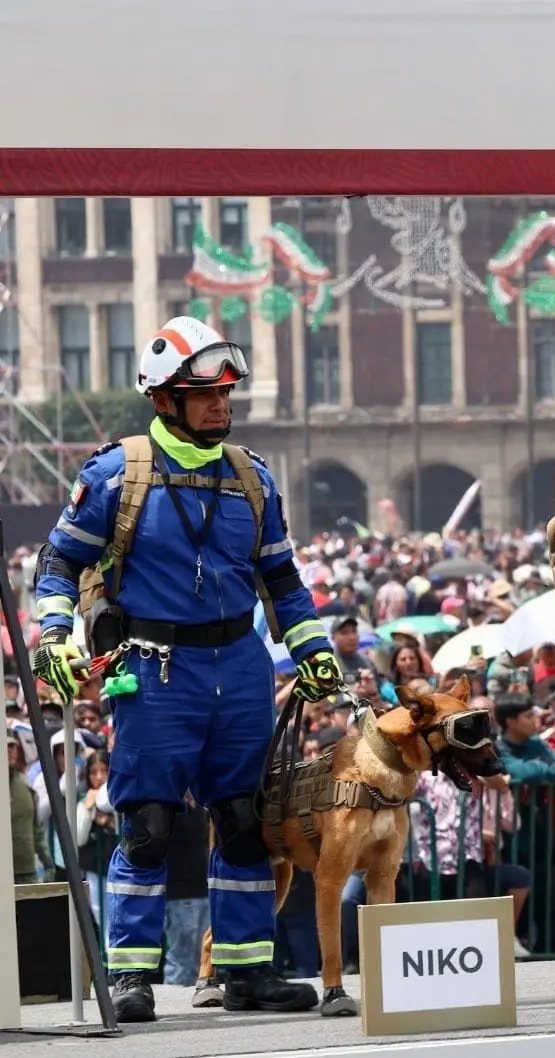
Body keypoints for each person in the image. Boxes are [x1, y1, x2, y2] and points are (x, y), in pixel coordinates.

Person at [30, 316, 343, 1021]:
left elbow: (285, 582)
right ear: (165, 399)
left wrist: (313, 650)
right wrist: (54, 634)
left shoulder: (253, 478)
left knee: (243, 824)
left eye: (227, 394)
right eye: (205, 396)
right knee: (147, 826)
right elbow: (59, 563)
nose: (222, 407)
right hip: (155, 669)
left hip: (241, 666)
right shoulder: (116, 473)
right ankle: (132, 978)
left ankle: (245, 973)